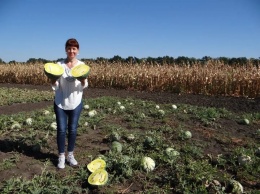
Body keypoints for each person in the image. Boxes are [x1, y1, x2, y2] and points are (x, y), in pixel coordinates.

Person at [51, 38, 88, 169]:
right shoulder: (59, 65)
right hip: (60, 102)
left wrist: (83, 80)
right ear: (65, 50)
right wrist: (53, 80)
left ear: (77, 51)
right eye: (69, 48)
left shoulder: (82, 65)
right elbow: (55, 86)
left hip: (76, 102)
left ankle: (70, 155)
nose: (71, 51)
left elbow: (85, 85)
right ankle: (61, 156)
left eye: (74, 48)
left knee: (72, 130)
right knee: (61, 130)